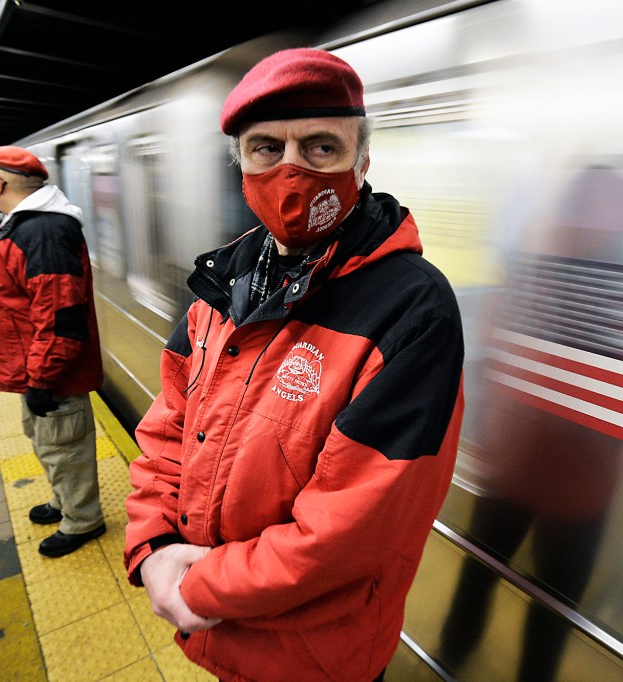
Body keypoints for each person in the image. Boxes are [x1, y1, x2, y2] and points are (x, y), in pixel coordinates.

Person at [124, 48, 465, 682]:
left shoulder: (412, 310)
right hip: (220, 637)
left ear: (361, 160)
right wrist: (153, 543)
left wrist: (193, 587)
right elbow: (169, 429)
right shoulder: (224, 283)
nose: (291, 172)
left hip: (314, 656)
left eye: (320, 147)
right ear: (241, 166)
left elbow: (349, 532)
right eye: (265, 149)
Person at [0, 144, 106, 558]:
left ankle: (83, 520)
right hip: (33, 368)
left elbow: (59, 317)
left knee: (65, 447)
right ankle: (63, 501)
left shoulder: (44, 233)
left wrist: (42, 378)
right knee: (48, 443)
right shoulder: (27, 227)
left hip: (51, 373)